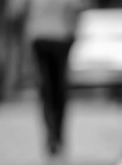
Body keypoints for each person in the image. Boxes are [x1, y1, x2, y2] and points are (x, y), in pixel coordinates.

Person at [26, 0, 88, 155]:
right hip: (57, 36)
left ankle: (53, 135)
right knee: (57, 88)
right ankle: (56, 135)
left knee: (48, 88)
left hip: (44, 36)